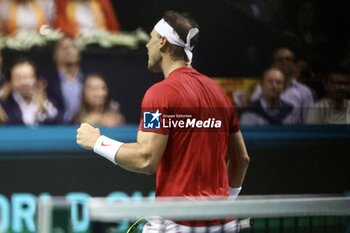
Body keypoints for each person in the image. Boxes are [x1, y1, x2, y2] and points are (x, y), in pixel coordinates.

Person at [76, 10, 250, 233]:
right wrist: (224, 204)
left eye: (151, 38)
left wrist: (96, 141)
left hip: (178, 225)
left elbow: (145, 159)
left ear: (162, 42)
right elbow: (241, 159)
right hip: (224, 225)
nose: (147, 45)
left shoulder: (160, 94)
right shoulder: (219, 93)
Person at [251, 47, 315, 123]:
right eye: (279, 60)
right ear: (273, 65)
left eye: (288, 59)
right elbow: (254, 117)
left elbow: (309, 123)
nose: (284, 62)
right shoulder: (260, 89)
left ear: (294, 65)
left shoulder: (304, 92)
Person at [1, 58, 59, 125]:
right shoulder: (4, 104)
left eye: (27, 77)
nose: (24, 83)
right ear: (10, 82)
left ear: (36, 80)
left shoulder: (48, 101)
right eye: (18, 78)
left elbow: (58, 121)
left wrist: (43, 108)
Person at [44, 36, 84, 124]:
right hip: (59, 129)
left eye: (72, 47)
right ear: (55, 54)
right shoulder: (46, 82)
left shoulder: (88, 79)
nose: (68, 51)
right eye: (64, 48)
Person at [53, 0, 121, 37]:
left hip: (101, 47)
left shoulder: (102, 2)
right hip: (75, 45)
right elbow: (60, 28)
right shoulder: (63, 3)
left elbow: (113, 27)